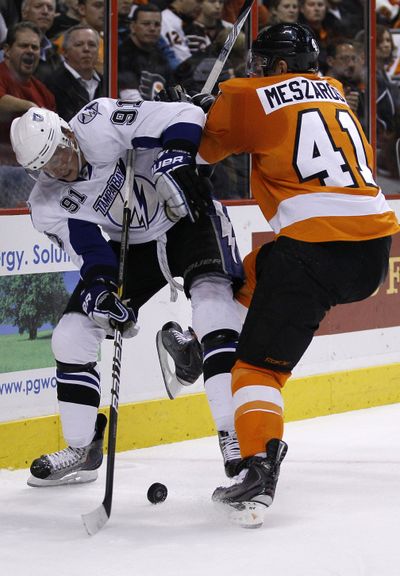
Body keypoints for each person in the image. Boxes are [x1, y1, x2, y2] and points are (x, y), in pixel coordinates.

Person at [196, 23, 400, 527]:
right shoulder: (336, 93)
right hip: (372, 251)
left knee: (257, 371)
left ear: (280, 67)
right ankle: (193, 340)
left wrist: (195, 109)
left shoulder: (248, 94)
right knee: (258, 270)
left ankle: (260, 467)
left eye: (263, 63)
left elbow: (201, 153)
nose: (256, 71)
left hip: (314, 248)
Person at [10, 96, 244, 486]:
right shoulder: (47, 202)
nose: (58, 167)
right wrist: (101, 292)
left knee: (213, 310)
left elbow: (186, 114)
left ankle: (234, 436)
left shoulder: (99, 120)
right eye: (45, 166)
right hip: (134, 246)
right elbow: (87, 247)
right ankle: (82, 449)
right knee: (70, 337)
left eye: (59, 152)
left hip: (185, 215)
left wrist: (176, 157)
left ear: (67, 132)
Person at [0, 21, 56, 208]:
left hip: (29, 170)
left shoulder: (44, 92)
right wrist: (31, 107)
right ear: (7, 50)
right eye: (24, 45)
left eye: (35, 47)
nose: (30, 51)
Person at [46, 24, 102, 121]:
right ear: (64, 52)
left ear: (98, 51)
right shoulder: (52, 84)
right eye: (79, 44)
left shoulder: (107, 82)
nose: (86, 49)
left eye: (92, 45)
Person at [118, 4, 174, 101]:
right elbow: (129, 97)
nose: (152, 29)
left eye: (157, 24)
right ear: (133, 26)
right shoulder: (121, 55)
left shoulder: (162, 58)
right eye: (146, 24)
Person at [20, 0, 62, 84]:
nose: (45, 12)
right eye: (38, 6)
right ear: (24, 13)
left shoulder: (56, 53)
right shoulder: (9, 49)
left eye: (50, 8)